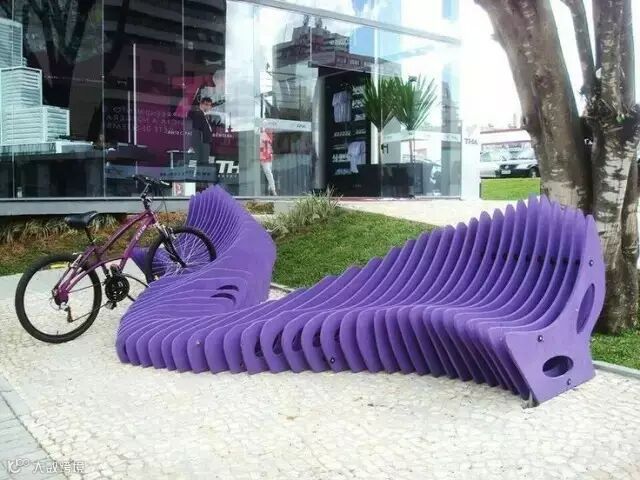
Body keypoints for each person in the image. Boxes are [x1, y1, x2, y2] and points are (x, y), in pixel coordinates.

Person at [188, 97, 217, 185]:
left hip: (204, 142)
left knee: (204, 163)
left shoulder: (205, 116)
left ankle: (202, 183)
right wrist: (194, 145)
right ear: (201, 104)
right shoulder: (198, 114)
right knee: (202, 163)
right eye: (206, 104)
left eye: (210, 105)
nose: (208, 107)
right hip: (201, 143)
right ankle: (201, 183)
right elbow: (196, 130)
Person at [259, 129, 277, 196]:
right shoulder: (262, 136)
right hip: (263, 158)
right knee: (268, 173)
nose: (272, 133)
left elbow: (269, 147)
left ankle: (270, 190)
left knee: (269, 173)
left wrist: (271, 154)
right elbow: (261, 147)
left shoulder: (268, 137)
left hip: (268, 157)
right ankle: (273, 190)